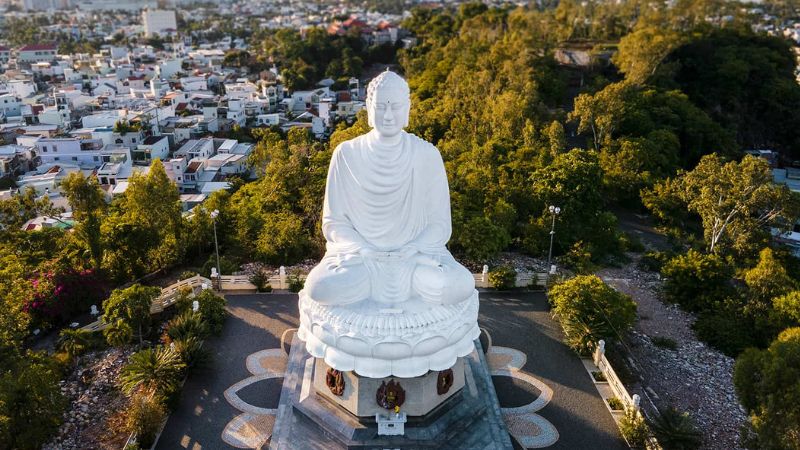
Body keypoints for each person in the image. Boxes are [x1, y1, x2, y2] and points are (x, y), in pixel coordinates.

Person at [303, 70, 474, 306]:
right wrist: (364, 250)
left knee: (458, 284)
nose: (389, 115)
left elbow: (439, 224)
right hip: (360, 259)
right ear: (369, 108)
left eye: (396, 106)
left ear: (407, 109)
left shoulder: (427, 155)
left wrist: (413, 249)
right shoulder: (346, 154)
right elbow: (334, 224)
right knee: (320, 287)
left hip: (415, 259)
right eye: (382, 106)